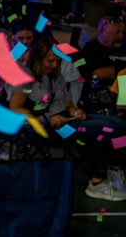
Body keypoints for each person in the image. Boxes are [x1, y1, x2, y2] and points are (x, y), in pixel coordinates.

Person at [9, 36, 126, 201]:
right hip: (47, 127)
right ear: (38, 58)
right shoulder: (25, 77)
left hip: (66, 120)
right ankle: (97, 182)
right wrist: (46, 119)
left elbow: (68, 103)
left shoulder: (55, 75)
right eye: (50, 61)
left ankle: (115, 167)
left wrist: (75, 111)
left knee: (120, 124)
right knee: (106, 130)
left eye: (57, 60)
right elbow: (15, 109)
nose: (55, 65)